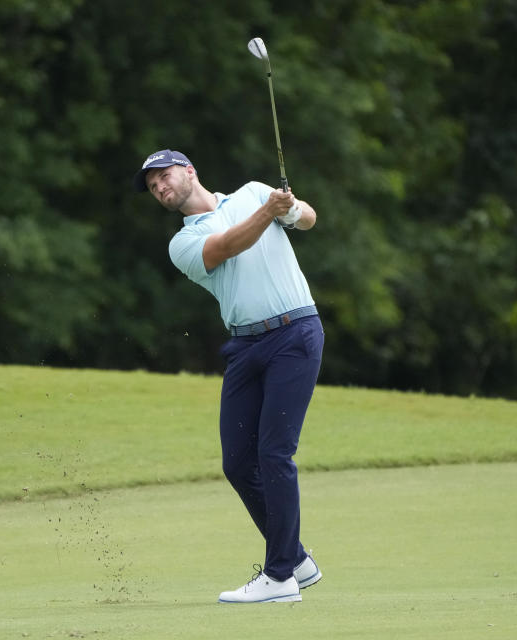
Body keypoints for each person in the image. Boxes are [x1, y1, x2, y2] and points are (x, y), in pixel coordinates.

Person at [134, 149, 325, 604]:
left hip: (295, 332)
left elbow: (309, 219)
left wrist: (290, 209)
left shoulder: (254, 192)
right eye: (152, 186)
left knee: (275, 453)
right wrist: (269, 212)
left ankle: (280, 577)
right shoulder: (182, 244)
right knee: (238, 462)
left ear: (189, 171)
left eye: (163, 176)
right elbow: (227, 247)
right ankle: (297, 559)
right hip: (246, 346)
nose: (159, 187)